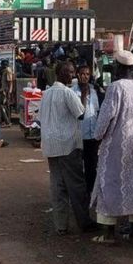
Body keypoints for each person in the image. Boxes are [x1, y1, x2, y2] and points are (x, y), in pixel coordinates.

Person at [92, 50, 133, 246]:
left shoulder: (115, 88)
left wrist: (97, 136)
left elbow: (107, 115)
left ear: (118, 67)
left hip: (116, 144)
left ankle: (108, 233)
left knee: (109, 182)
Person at [39, 61, 94, 236]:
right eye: (69, 72)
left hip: (50, 145)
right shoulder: (67, 93)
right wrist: (84, 94)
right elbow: (82, 114)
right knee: (76, 186)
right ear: (61, 73)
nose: (72, 75)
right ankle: (84, 222)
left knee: (57, 186)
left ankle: (61, 225)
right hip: (68, 144)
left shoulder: (46, 94)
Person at [72, 64, 100, 199]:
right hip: (79, 135)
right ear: (77, 75)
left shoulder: (94, 92)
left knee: (92, 166)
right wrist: (83, 95)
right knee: (78, 167)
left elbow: (97, 112)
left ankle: (90, 193)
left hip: (92, 135)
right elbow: (79, 113)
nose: (85, 77)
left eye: (87, 74)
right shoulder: (73, 92)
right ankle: (79, 194)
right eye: (82, 74)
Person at [0, 59, 14, 127]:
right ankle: (6, 121)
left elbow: (10, 82)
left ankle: (7, 122)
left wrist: (9, 92)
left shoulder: (7, 70)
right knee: (4, 106)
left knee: (3, 106)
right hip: (4, 90)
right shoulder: (5, 70)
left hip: (5, 91)